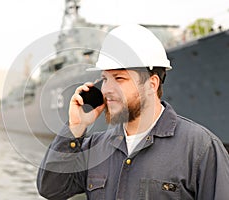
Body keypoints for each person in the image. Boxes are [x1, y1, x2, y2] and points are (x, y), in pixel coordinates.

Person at [37, 24, 229, 200]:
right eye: (105, 79)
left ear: (152, 84)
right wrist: (75, 128)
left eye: (119, 78)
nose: (106, 90)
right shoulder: (95, 148)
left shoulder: (201, 149)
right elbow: (50, 188)